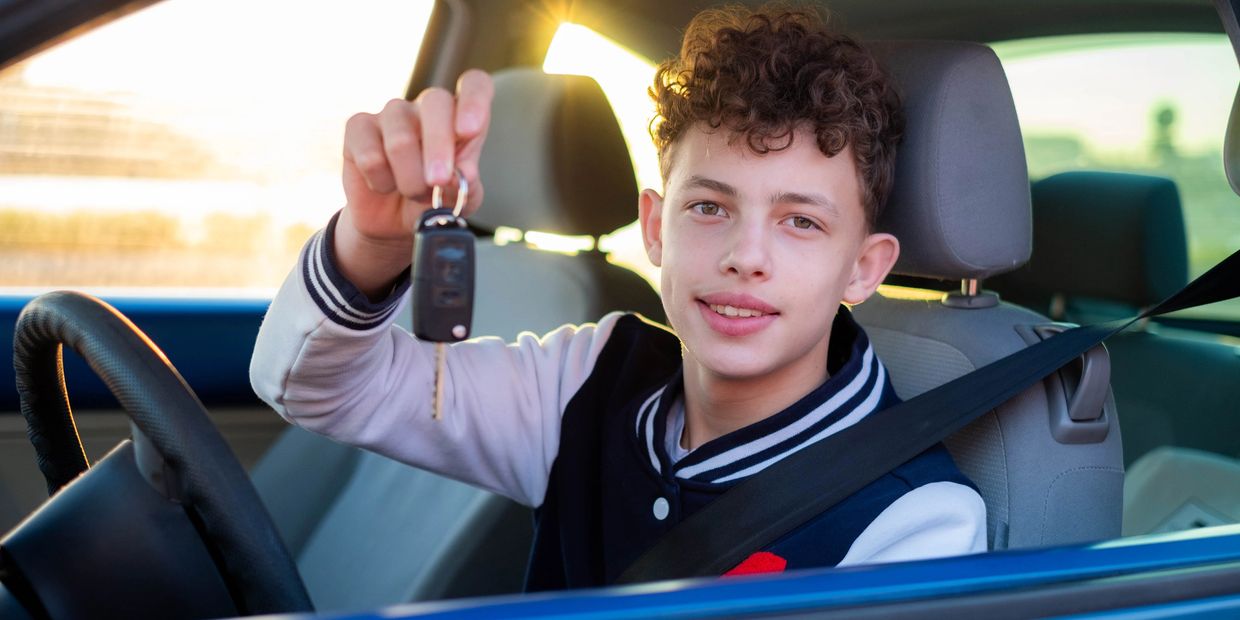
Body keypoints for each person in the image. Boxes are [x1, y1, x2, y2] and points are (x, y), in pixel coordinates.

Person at [250, 4, 986, 590]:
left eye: (800, 221)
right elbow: (320, 391)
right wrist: (374, 241)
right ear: (655, 228)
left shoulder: (916, 521)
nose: (744, 257)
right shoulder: (589, 378)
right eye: (710, 207)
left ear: (863, 267)